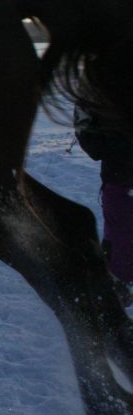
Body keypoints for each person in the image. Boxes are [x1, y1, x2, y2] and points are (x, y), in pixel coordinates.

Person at [74, 104, 133, 290]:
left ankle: (118, 288)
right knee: (120, 246)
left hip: (120, 180)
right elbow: (95, 147)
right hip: (121, 180)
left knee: (120, 246)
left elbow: (94, 147)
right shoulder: (97, 92)